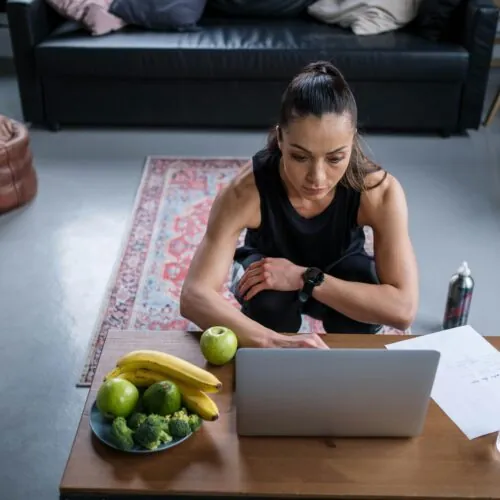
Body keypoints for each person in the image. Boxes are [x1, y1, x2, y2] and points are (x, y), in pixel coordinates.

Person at [180, 61, 418, 349]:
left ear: (351, 141)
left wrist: (305, 278)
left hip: (339, 271)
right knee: (266, 301)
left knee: (363, 292)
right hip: (268, 273)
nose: (317, 178)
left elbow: (403, 310)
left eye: (334, 158)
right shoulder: (245, 192)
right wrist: (273, 342)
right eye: (300, 157)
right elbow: (194, 296)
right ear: (280, 138)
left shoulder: (379, 192)